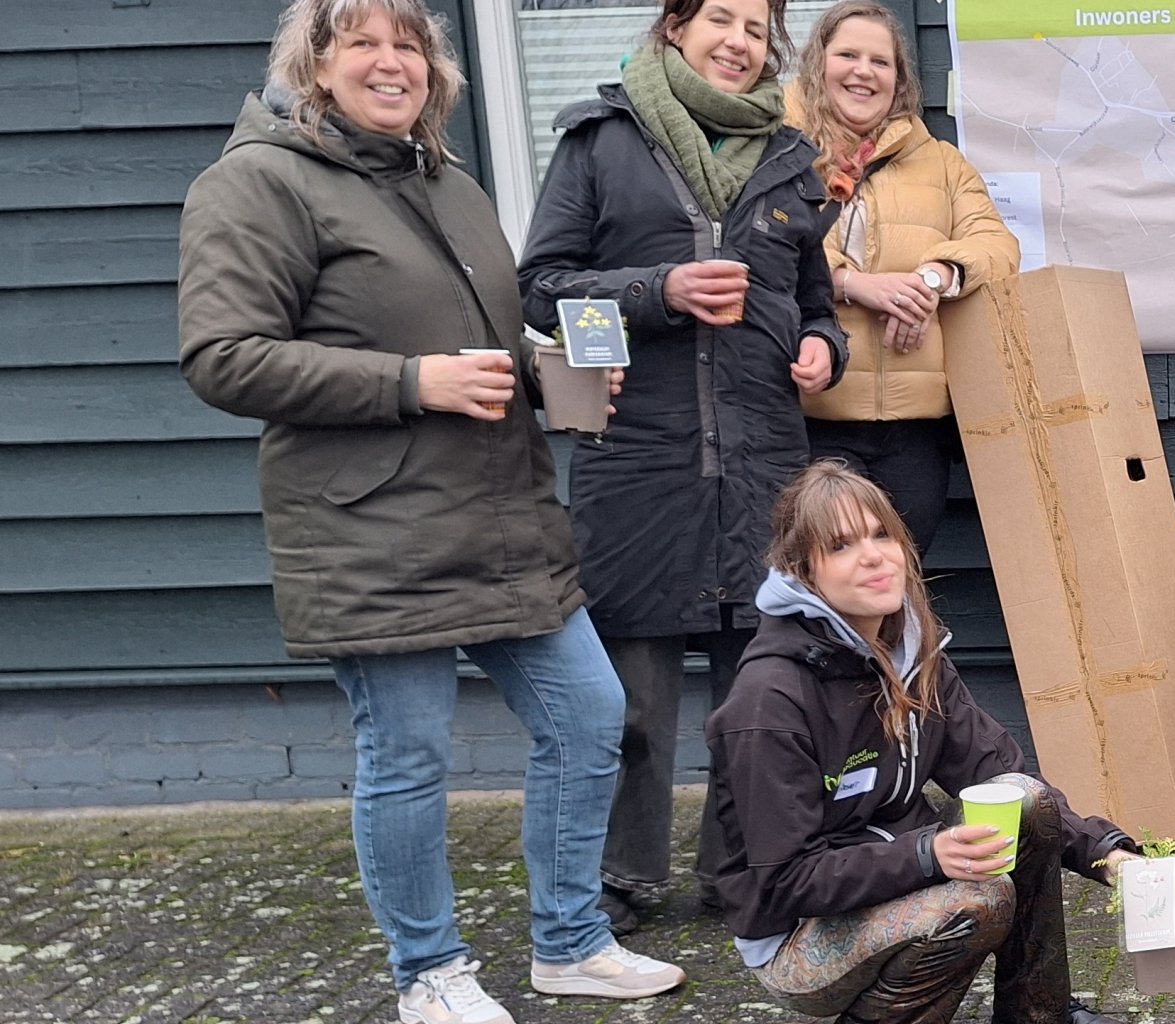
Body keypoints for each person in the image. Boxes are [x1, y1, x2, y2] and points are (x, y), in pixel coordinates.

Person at [177, 1, 682, 1020]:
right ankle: (430, 973)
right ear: (313, 65)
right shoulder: (257, 182)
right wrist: (413, 382)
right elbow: (223, 356)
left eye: (408, 42)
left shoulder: (447, 183)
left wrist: (548, 378)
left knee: (589, 718)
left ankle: (571, 940)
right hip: (369, 527)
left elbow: (482, 337)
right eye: (360, 41)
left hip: (502, 517)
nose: (389, 60)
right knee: (406, 757)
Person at [517, 0, 850, 933]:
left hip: (763, 472)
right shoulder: (602, 138)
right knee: (629, 705)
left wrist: (825, 349)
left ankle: (738, 872)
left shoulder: (790, 160)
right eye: (720, 19)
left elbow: (815, 302)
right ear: (675, 26)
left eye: (755, 27)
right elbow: (541, 289)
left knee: (759, 699)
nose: (739, 41)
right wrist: (652, 293)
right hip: (638, 467)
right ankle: (620, 879)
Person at [706, 463, 1132, 1024]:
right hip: (794, 935)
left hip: (888, 880)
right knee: (976, 903)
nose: (874, 555)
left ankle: (1039, 1016)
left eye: (882, 534)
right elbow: (787, 880)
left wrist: (1111, 858)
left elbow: (1002, 773)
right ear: (803, 571)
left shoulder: (912, 655)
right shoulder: (769, 700)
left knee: (1024, 800)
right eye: (841, 545)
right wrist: (927, 853)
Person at [787, 0, 1020, 554]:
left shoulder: (940, 161)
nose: (863, 72)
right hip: (812, 419)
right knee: (822, 585)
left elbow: (998, 247)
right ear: (818, 63)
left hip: (915, 428)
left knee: (902, 582)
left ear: (900, 78)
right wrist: (854, 284)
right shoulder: (778, 152)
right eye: (847, 55)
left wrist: (932, 280)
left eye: (880, 61)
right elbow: (763, 252)